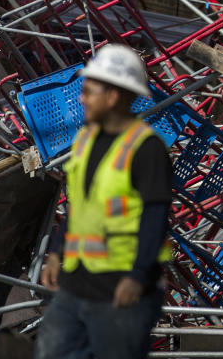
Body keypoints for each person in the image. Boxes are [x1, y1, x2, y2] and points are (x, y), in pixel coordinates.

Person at [36, 44, 172, 359]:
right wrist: (57, 253)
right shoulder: (86, 139)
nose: (81, 98)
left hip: (121, 291)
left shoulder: (146, 149)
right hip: (77, 284)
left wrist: (137, 277)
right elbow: (80, 208)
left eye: (89, 91)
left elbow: (155, 219)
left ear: (112, 97)